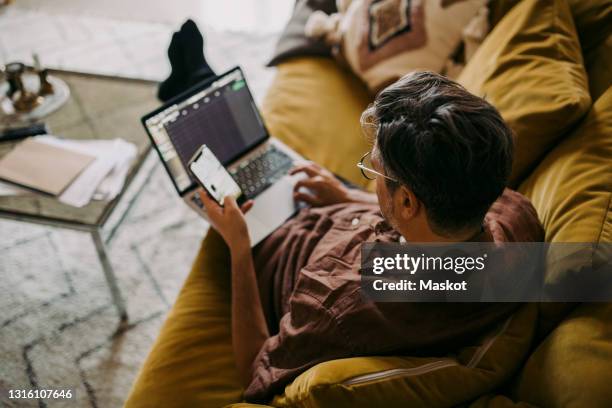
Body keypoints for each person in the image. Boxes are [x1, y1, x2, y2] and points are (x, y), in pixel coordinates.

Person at [145, 20, 543, 404]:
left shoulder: (336, 308)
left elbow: (254, 371)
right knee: (250, 145)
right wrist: (349, 196)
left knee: (211, 157)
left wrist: (238, 243)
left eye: (374, 168)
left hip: (273, 240)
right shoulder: (513, 216)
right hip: (339, 212)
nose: (370, 169)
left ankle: (190, 85)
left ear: (407, 202)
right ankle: (195, 82)